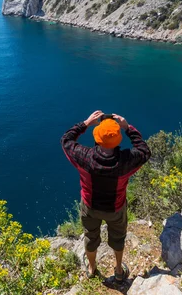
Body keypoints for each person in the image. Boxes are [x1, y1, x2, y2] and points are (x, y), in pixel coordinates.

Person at [61, 110, 151, 282]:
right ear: (118, 139)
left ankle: (92, 268)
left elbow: (66, 140)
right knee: (118, 238)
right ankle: (118, 270)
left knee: (90, 236)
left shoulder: (84, 157)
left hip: (89, 207)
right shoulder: (126, 161)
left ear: (97, 138)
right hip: (115, 209)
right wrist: (127, 127)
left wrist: (86, 123)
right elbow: (144, 151)